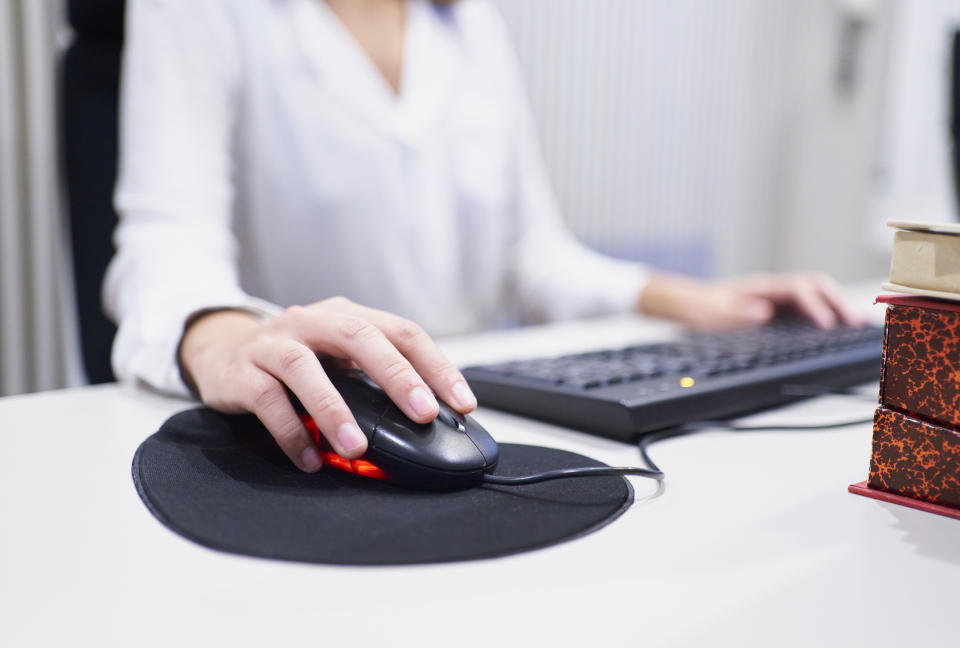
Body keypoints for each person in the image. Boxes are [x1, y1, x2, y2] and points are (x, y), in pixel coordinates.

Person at [105, 0, 867, 474]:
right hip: (316, 408)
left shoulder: (465, 22)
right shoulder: (202, 10)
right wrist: (224, 340)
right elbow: (165, 243)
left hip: (459, 402)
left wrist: (694, 299)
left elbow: (529, 255)